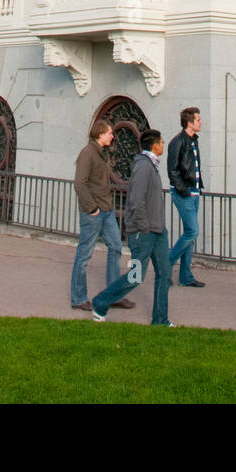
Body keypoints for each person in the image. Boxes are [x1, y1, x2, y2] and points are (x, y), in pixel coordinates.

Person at [89, 129, 175, 326]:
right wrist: (144, 227)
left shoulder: (151, 166)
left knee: (164, 273)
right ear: (154, 145)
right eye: (161, 142)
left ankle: (160, 320)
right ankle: (100, 303)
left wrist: (157, 227)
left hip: (158, 231)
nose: (163, 144)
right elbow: (136, 201)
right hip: (143, 234)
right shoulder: (144, 167)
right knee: (135, 276)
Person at [70, 121, 135, 312]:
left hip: (106, 211)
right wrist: (92, 208)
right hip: (93, 213)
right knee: (84, 255)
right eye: (109, 133)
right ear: (100, 135)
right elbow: (79, 183)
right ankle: (78, 298)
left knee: (116, 247)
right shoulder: (87, 154)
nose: (112, 136)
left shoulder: (103, 154)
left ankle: (113, 295)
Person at [167, 107, 206, 287]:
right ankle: (165, 264)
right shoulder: (177, 142)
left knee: (189, 236)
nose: (200, 122)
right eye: (198, 120)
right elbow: (172, 170)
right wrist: (184, 190)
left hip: (194, 192)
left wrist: (196, 189)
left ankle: (185, 277)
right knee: (192, 232)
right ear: (189, 123)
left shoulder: (193, 141)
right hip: (185, 193)